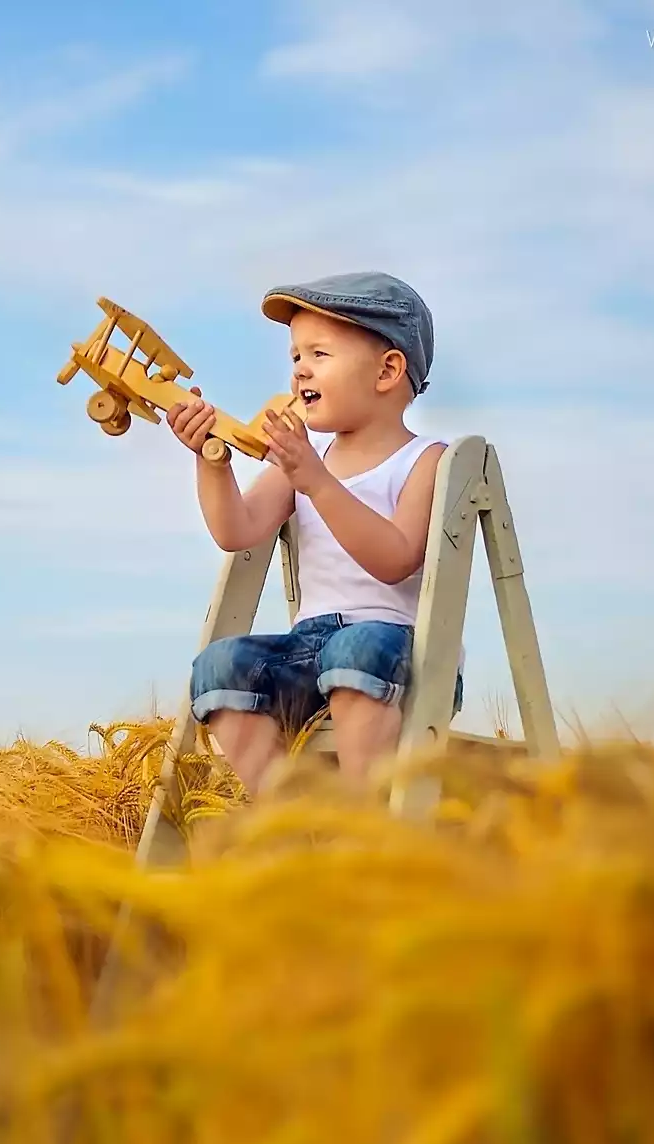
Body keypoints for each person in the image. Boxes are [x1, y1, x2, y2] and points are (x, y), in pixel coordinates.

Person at [163, 270, 458, 797]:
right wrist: (212, 462)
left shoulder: (425, 461)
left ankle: (362, 818)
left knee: (356, 648)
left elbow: (395, 558)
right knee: (220, 665)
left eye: (319, 355)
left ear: (388, 370)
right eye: (296, 356)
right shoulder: (304, 460)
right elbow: (237, 530)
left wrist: (316, 483)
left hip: (395, 650)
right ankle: (288, 820)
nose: (300, 370)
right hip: (308, 648)